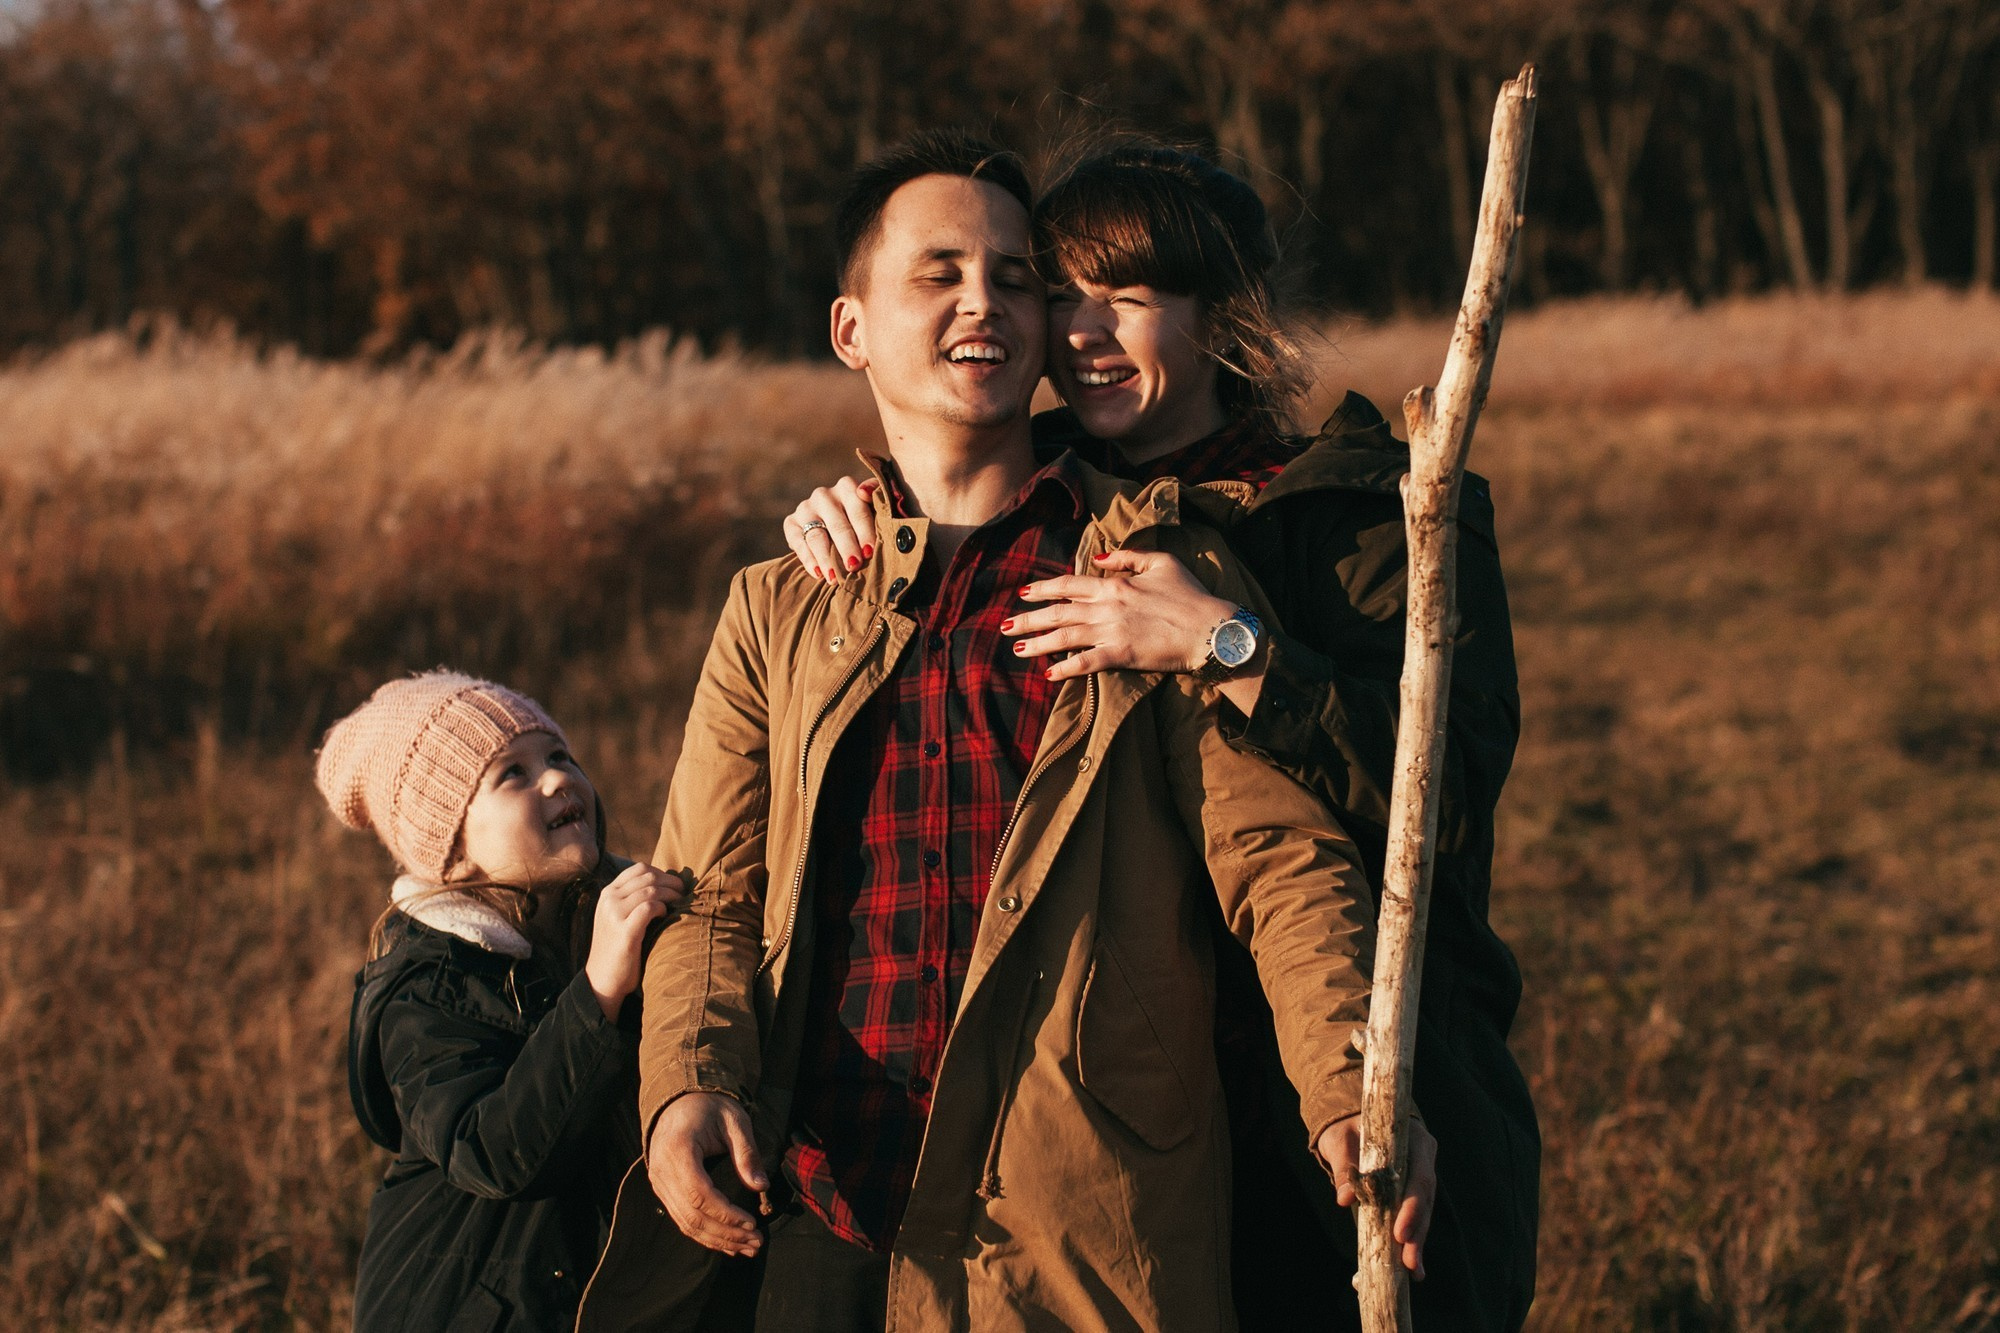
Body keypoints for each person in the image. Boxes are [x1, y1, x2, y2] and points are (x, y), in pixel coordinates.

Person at [575, 129, 1433, 1333]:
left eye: (1013, 276)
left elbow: (1280, 864)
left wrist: (1349, 1087)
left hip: (1075, 1227)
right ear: (850, 329)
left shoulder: (1148, 566)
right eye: (937, 273)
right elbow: (713, 890)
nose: (982, 302)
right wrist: (686, 1087)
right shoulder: (780, 603)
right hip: (821, 1218)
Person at [779, 142, 1537, 1332]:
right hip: (1128, 1130)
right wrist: (853, 506)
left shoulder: (1369, 511)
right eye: (1060, 292)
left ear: (1220, 315)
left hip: (1358, 1076)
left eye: (1127, 298)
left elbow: (1438, 794)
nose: (1080, 331)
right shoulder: (1055, 509)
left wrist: (1228, 646)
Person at [319, 670, 684, 1332]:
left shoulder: (615, 913)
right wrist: (598, 986)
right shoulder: (428, 986)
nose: (556, 778)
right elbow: (495, 1150)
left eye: (558, 754)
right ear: (452, 854)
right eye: (511, 774)